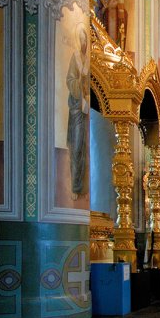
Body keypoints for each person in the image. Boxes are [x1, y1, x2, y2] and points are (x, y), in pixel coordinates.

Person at [66, 23, 89, 199]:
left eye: (85, 39)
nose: (83, 42)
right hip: (76, 108)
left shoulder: (88, 59)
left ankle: (80, 185)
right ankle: (75, 187)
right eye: (80, 39)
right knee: (76, 147)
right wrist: (79, 86)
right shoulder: (76, 58)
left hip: (87, 108)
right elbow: (70, 79)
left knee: (84, 147)